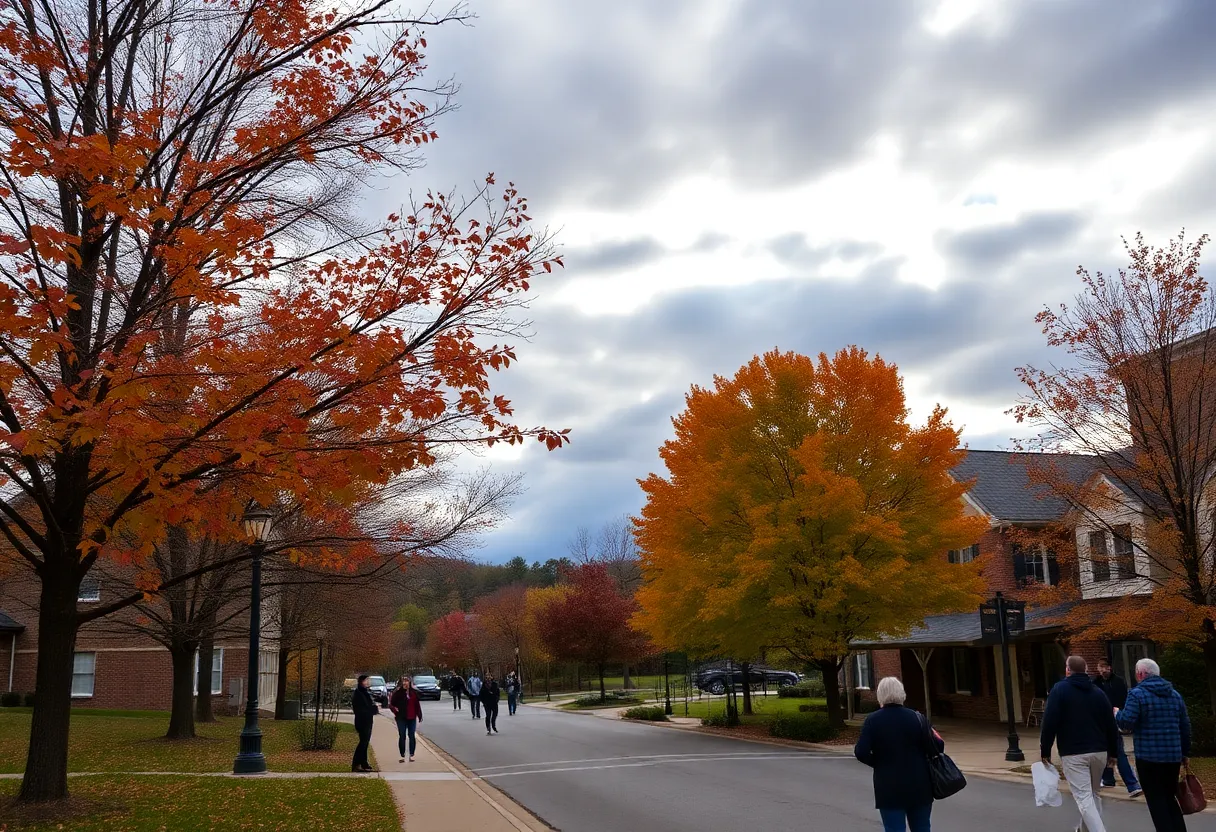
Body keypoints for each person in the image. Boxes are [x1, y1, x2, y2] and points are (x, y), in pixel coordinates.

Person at [1039, 655, 1119, 832]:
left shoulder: (1059, 690)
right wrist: (1113, 753)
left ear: (1068, 670)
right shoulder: (1098, 693)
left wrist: (1045, 750)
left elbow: (1049, 722)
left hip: (1073, 752)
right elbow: (1110, 725)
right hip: (1099, 751)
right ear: (1085, 670)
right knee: (1093, 794)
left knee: (1084, 797)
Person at [853, 676, 943, 832]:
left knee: (894, 828)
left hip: (889, 784)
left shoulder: (873, 720)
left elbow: (861, 752)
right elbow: (938, 746)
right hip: (920, 782)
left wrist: (879, 762)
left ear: (880, 695)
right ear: (902, 694)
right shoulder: (918, 717)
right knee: (922, 827)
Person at [1117, 658, 1191, 832]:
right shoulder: (1175, 695)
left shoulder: (1137, 694)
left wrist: (1117, 714)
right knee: (1170, 798)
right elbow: (1185, 725)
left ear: (1141, 673)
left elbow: (1127, 723)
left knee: (1156, 802)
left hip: (1149, 757)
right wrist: (1185, 753)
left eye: (1136, 672)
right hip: (1172, 756)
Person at [1094, 657, 1142, 797]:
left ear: (1110, 668)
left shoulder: (1118, 682)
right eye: (1100, 667)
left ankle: (1132, 784)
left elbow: (1123, 700)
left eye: (1105, 667)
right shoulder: (1095, 683)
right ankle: (1108, 778)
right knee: (1106, 750)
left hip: (1114, 718)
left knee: (1117, 751)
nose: (1103, 670)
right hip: (1100, 720)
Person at [389, 675, 423, 763]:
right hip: (401, 717)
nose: (405, 683)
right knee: (402, 735)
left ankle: (411, 754)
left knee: (412, 735)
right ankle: (403, 754)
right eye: (403, 681)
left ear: (410, 682)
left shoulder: (413, 693)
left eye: (407, 681)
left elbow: (417, 705)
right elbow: (391, 704)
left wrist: (419, 715)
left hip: (411, 717)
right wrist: (395, 710)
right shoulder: (398, 693)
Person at [350, 674, 378, 772]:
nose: (368, 682)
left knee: (365, 743)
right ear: (362, 682)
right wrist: (373, 710)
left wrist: (374, 707)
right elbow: (361, 709)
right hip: (362, 721)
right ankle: (356, 764)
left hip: (368, 720)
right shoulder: (358, 693)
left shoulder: (365, 692)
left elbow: (370, 704)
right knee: (363, 743)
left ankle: (364, 763)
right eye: (366, 680)